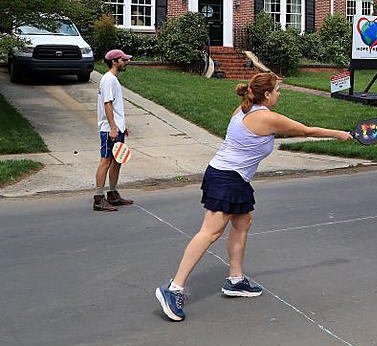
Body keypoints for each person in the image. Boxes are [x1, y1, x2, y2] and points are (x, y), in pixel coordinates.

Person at [155, 73, 353, 322]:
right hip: (226, 178)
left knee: (242, 223)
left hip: (233, 178)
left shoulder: (245, 108)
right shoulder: (265, 117)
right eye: (278, 90)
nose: (280, 94)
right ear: (267, 95)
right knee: (210, 232)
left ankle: (235, 280)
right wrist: (339, 134)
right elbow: (305, 131)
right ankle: (173, 288)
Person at [94, 49, 133, 212]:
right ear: (114, 61)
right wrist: (113, 127)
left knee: (117, 160)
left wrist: (122, 126)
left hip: (117, 128)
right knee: (106, 161)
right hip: (109, 130)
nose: (125, 62)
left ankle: (112, 194)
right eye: (123, 60)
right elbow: (107, 104)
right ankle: (98, 198)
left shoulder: (113, 80)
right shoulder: (108, 79)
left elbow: (115, 106)